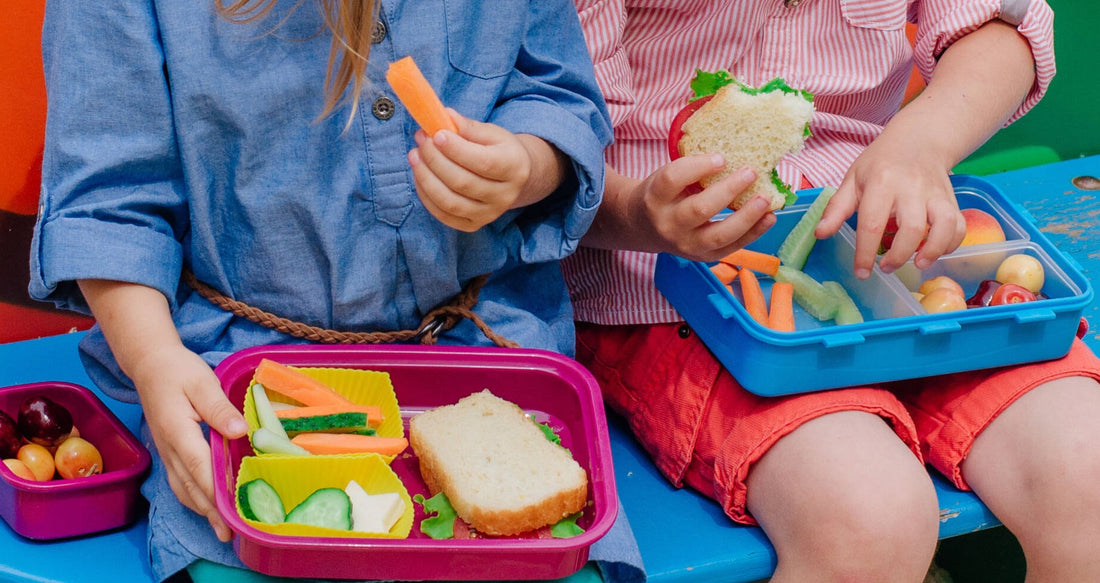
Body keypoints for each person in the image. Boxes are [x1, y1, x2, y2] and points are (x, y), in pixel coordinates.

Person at [30, 0, 612, 580]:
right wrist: (153, 360)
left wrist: (527, 166)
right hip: (240, 371)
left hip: (491, 346)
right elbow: (110, 204)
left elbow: (555, 95)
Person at [565, 1, 1100, 581]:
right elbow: (550, 133)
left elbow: (1001, 25)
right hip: (669, 284)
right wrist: (638, 216)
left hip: (897, 248)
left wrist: (922, 140)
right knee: (869, 520)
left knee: (1086, 468)